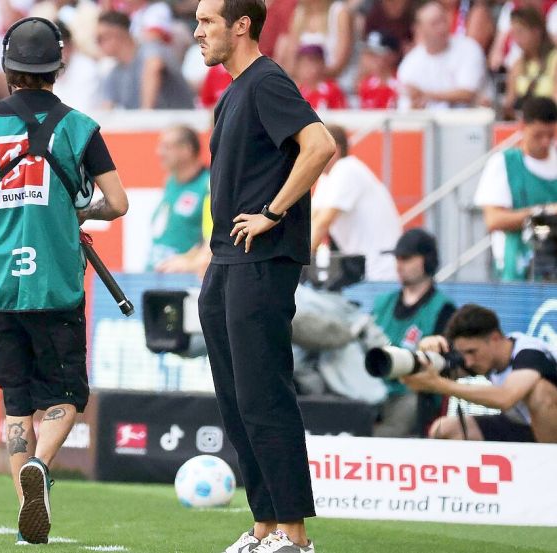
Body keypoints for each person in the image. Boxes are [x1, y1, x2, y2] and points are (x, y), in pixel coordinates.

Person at [0, 17, 127, 545]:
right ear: (57, 69)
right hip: (55, 282)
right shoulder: (82, 128)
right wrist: (77, 214)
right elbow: (119, 203)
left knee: (15, 399)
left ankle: (27, 507)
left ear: (7, 67)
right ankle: (40, 463)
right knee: (65, 395)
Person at [194, 0, 336, 551]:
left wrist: (273, 212)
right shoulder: (232, 92)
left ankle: (295, 537)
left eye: (208, 21)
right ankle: (264, 529)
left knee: (264, 398)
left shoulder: (266, 81)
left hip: (261, 263)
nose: (198, 31)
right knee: (234, 402)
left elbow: (319, 146)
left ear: (241, 25)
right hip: (226, 264)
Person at [404, 304, 557, 443]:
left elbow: (505, 397)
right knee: (444, 429)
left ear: (495, 338)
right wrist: (426, 350)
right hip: (525, 426)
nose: (468, 362)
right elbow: (418, 380)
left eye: (472, 352)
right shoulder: (483, 358)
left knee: (540, 392)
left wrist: (438, 384)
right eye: (463, 354)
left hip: (549, 432)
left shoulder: (529, 353)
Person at [371, 228, 457, 437]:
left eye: (406, 258)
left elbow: (444, 364)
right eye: (397, 258)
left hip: (413, 391)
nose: (399, 265)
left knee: (392, 427)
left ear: (427, 260)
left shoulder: (443, 309)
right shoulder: (383, 303)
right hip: (373, 387)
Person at [474, 96, 557, 281]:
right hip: (517, 264)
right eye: (538, 135)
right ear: (522, 127)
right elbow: (494, 219)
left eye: (550, 135)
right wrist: (543, 213)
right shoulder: (503, 163)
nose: (545, 142)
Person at [311, 124, 401, 281]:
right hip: (366, 271)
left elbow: (322, 224)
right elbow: (311, 221)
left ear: (334, 150)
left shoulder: (347, 169)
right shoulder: (327, 177)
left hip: (381, 272)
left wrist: (292, 264)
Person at [397, 1, 486, 110]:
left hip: (471, 122)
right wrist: (415, 106)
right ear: (419, 29)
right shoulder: (410, 63)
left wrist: (426, 95)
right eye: (434, 23)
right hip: (429, 124)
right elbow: (405, 109)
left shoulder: (469, 48)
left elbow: (468, 93)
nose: (442, 27)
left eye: (443, 20)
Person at [97, 10, 195, 109]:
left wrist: (145, 113)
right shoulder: (114, 73)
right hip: (152, 123)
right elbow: (106, 109)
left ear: (116, 35)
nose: (97, 43)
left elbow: (154, 66)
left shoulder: (150, 48)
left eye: (100, 38)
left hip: (181, 121)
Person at [146, 125, 210, 271]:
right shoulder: (170, 182)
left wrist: (189, 263)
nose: (159, 152)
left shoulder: (208, 185)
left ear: (186, 150)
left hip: (183, 281)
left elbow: (213, 239)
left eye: (167, 147)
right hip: (157, 275)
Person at [503, 7, 557, 119]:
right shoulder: (517, 65)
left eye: (520, 32)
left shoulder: (554, 59)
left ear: (536, 32)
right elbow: (509, 103)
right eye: (514, 34)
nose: (517, 40)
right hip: (523, 123)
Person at [293, 44, 346, 110]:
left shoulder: (332, 90)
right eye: (304, 64)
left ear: (322, 63)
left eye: (312, 62)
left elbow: (342, 115)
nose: (308, 69)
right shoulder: (297, 92)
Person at [357, 30, 400, 109]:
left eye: (377, 53)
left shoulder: (401, 82)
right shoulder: (366, 84)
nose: (371, 58)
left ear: (392, 55)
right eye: (369, 53)